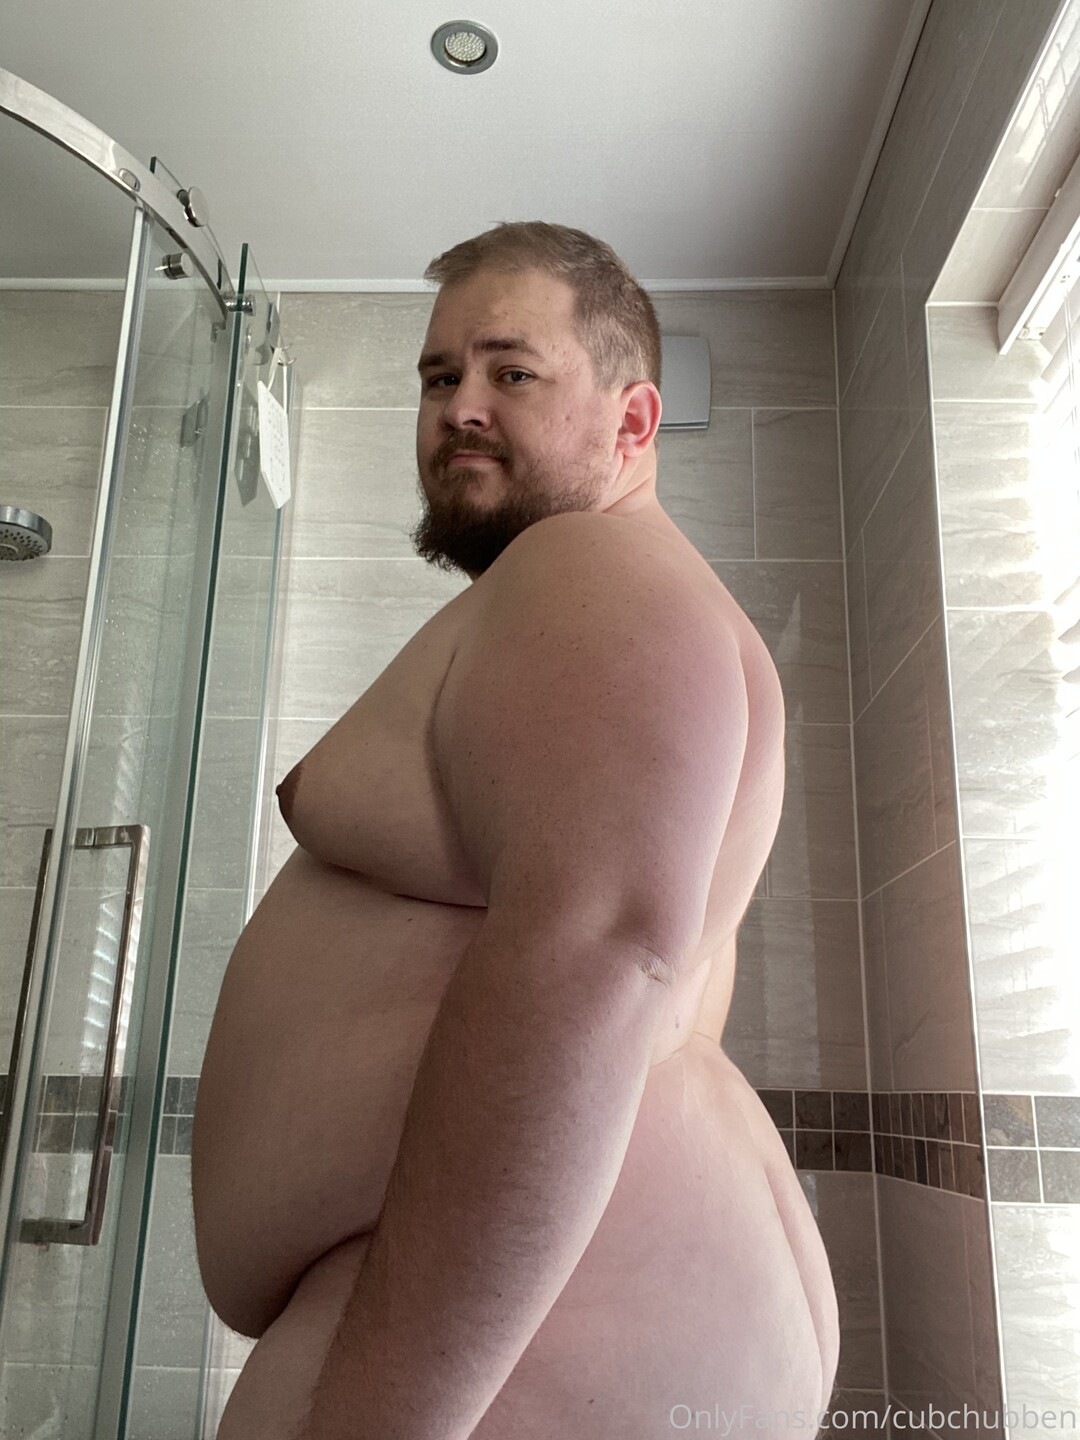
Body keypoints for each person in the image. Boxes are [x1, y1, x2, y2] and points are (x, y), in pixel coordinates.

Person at [192, 221, 839, 1440]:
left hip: (497, 1360)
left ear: (633, 422)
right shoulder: (596, 601)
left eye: (514, 371)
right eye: (440, 377)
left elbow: (592, 958)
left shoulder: (589, 573)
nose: (460, 408)